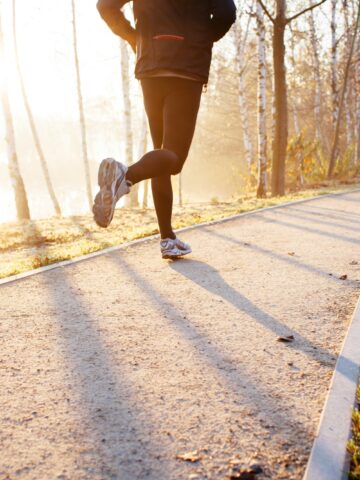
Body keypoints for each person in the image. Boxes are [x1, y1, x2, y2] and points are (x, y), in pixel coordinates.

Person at [94, 0, 236, 259]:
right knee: (173, 158)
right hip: (186, 68)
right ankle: (125, 175)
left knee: (160, 153)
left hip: (150, 67)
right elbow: (226, 14)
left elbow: (105, 5)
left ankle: (167, 238)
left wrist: (135, 39)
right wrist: (200, 39)